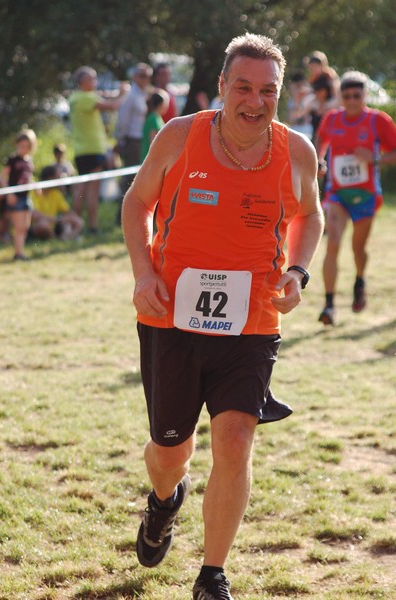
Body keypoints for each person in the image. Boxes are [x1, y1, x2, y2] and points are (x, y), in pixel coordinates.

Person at [122, 33, 324, 599]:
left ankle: (212, 574)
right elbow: (136, 203)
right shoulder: (181, 137)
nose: (254, 101)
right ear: (222, 87)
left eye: (268, 91)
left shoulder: (295, 151)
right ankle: (164, 500)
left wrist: (298, 271)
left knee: (235, 438)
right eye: (243, 87)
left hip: (252, 319)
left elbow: (310, 215)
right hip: (170, 315)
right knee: (170, 453)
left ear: (280, 94)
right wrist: (143, 273)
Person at [316, 71, 396, 326]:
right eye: (347, 96)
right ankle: (329, 306)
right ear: (340, 96)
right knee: (333, 244)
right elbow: (320, 141)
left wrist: (374, 159)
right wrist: (319, 159)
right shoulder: (332, 119)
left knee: (357, 248)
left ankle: (359, 280)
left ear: (364, 96)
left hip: (365, 195)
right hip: (337, 194)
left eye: (356, 96)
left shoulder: (377, 121)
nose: (351, 101)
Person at [69, 66, 128, 233]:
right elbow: (112, 106)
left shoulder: (76, 97)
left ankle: (76, 224)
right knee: (91, 190)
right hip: (92, 149)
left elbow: (106, 102)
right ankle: (91, 226)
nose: (95, 82)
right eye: (92, 79)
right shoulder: (85, 97)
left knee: (82, 189)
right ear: (83, 82)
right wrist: (124, 93)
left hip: (82, 149)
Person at [115, 62, 153, 220]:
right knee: (129, 180)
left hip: (140, 141)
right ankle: (122, 216)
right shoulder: (131, 95)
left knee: (137, 178)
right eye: (142, 76)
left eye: (148, 76)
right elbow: (122, 119)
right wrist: (121, 139)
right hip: (131, 141)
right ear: (135, 76)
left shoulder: (143, 94)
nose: (145, 79)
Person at [0, 129, 38, 261]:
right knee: (19, 227)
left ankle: (20, 252)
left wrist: (36, 187)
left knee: (25, 227)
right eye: (21, 146)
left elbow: (28, 178)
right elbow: (2, 178)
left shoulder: (29, 161)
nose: (23, 149)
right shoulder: (12, 160)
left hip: (26, 197)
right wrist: (9, 193)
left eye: (26, 146)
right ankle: (18, 253)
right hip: (15, 197)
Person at [30, 165, 84, 240]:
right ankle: (56, 239)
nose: (60, 180)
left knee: (79, 221)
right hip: (37, 225)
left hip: (54, 225)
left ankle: (65, 238)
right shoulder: (35, 192)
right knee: (43, 225)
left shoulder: (56, 193)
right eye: (57, 178)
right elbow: (34, 215)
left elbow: (68, 211)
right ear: (50, 178)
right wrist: (57, 219)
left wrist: (70, 218)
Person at [141, 90, 169, 161]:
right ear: (161, 104)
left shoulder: (156, 117)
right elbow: (152, 141)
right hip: (151, 159)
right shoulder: (153, 118)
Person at [286, 71, 314, 139]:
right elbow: (291, 120)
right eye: (297, 86)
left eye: (301, 85)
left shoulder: (311, 98)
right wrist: (297, 100)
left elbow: (303, 118)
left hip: (308, 132)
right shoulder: (292, 101)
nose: (299, 89)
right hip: (295, 132)